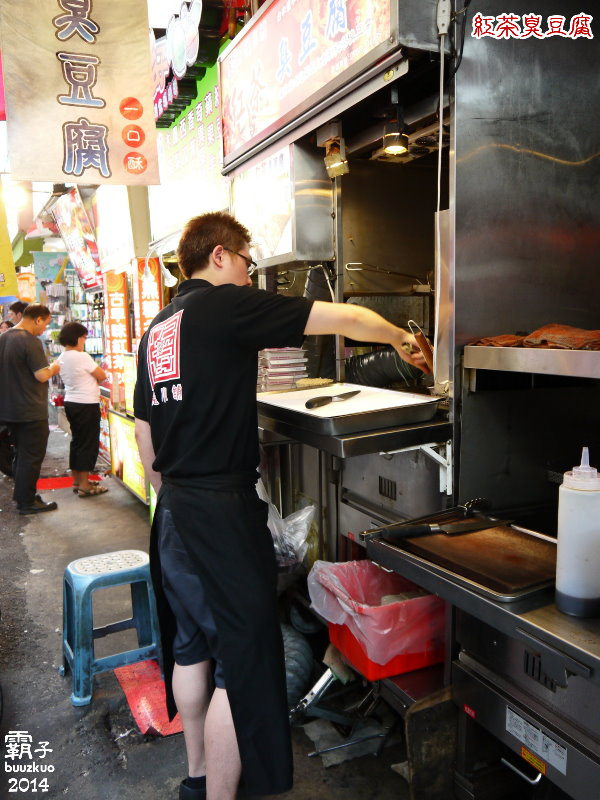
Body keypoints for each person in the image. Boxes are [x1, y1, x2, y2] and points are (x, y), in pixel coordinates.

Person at [133, 212, 428, 800]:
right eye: (247, 261)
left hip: (173, 513)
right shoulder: (223, 305)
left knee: (192, 643)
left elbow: (149, 443)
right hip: (219, 510)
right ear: (220, 256)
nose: (250, 273)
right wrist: (402, 337)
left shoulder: (159, 328)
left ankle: (196, 780)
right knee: (240, 665)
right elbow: (339, 317)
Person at [0, 304, 60, 513]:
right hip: (30, 410)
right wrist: (54, 367)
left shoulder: (4, 337)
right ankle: (26, 502)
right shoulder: (30, 341)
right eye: (45, 323)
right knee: (31, 457)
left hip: (9, 410)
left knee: (20, 455)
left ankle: (22, 496)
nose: (44, 329)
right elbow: (41, 375)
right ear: (37, 320)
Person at [57, 321, 107, 497]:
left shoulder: (61, 357)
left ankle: (77, 480)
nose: (85, 341)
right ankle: (85, 485)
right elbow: (102, 375)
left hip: (71, 402)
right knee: (88, 443)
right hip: (86, 403)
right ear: (77, 338)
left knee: (77, 441)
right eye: (84, 337)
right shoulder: (81, 356)